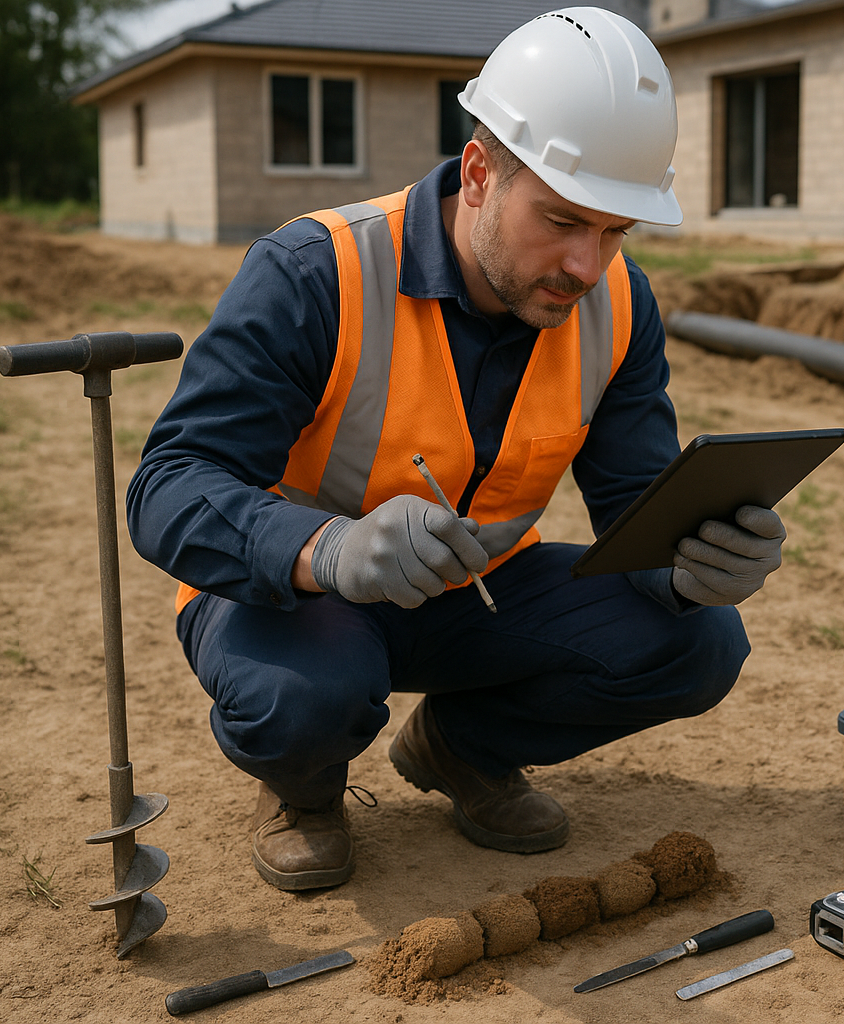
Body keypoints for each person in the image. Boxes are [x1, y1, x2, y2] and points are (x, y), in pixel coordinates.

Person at [127, 6, 787, 892]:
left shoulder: (617, 307)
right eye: (561, 220)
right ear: (479, 173)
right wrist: (327, 547)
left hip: (471, 598)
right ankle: (305, 789)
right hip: (299, 601)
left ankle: (461, 748)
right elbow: (169, 486)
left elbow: (634, 504)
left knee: (701, 641)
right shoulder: (315, 274)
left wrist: (694, 561)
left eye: (614, 232)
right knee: (306, 698)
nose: (587, 266)